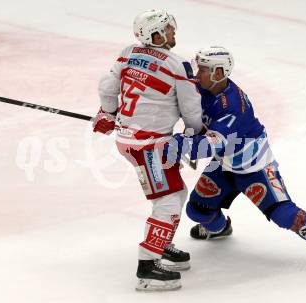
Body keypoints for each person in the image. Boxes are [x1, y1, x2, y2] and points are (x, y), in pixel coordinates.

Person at [164, 46, 306, 258]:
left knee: (283, 213)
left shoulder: (231, 106)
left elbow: (205, 147)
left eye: (203, 70)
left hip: (254, 166)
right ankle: (220, 229)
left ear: (218, 73)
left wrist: (172, 143)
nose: (198, 75)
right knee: (197, 210)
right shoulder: (204, 87)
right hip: (226, 162)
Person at [92, 9, 203, 291]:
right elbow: (191, 110)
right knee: (168, 200)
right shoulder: (178, 66)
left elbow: (108, 85)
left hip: (129, 140)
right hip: (150, 146)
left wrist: (107, 113)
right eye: (167, 29)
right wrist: (195, 134)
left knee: (177, 193)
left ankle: (161, 244)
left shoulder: (128, 52)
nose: (173, 32)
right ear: (154, 34)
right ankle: (148, 266)